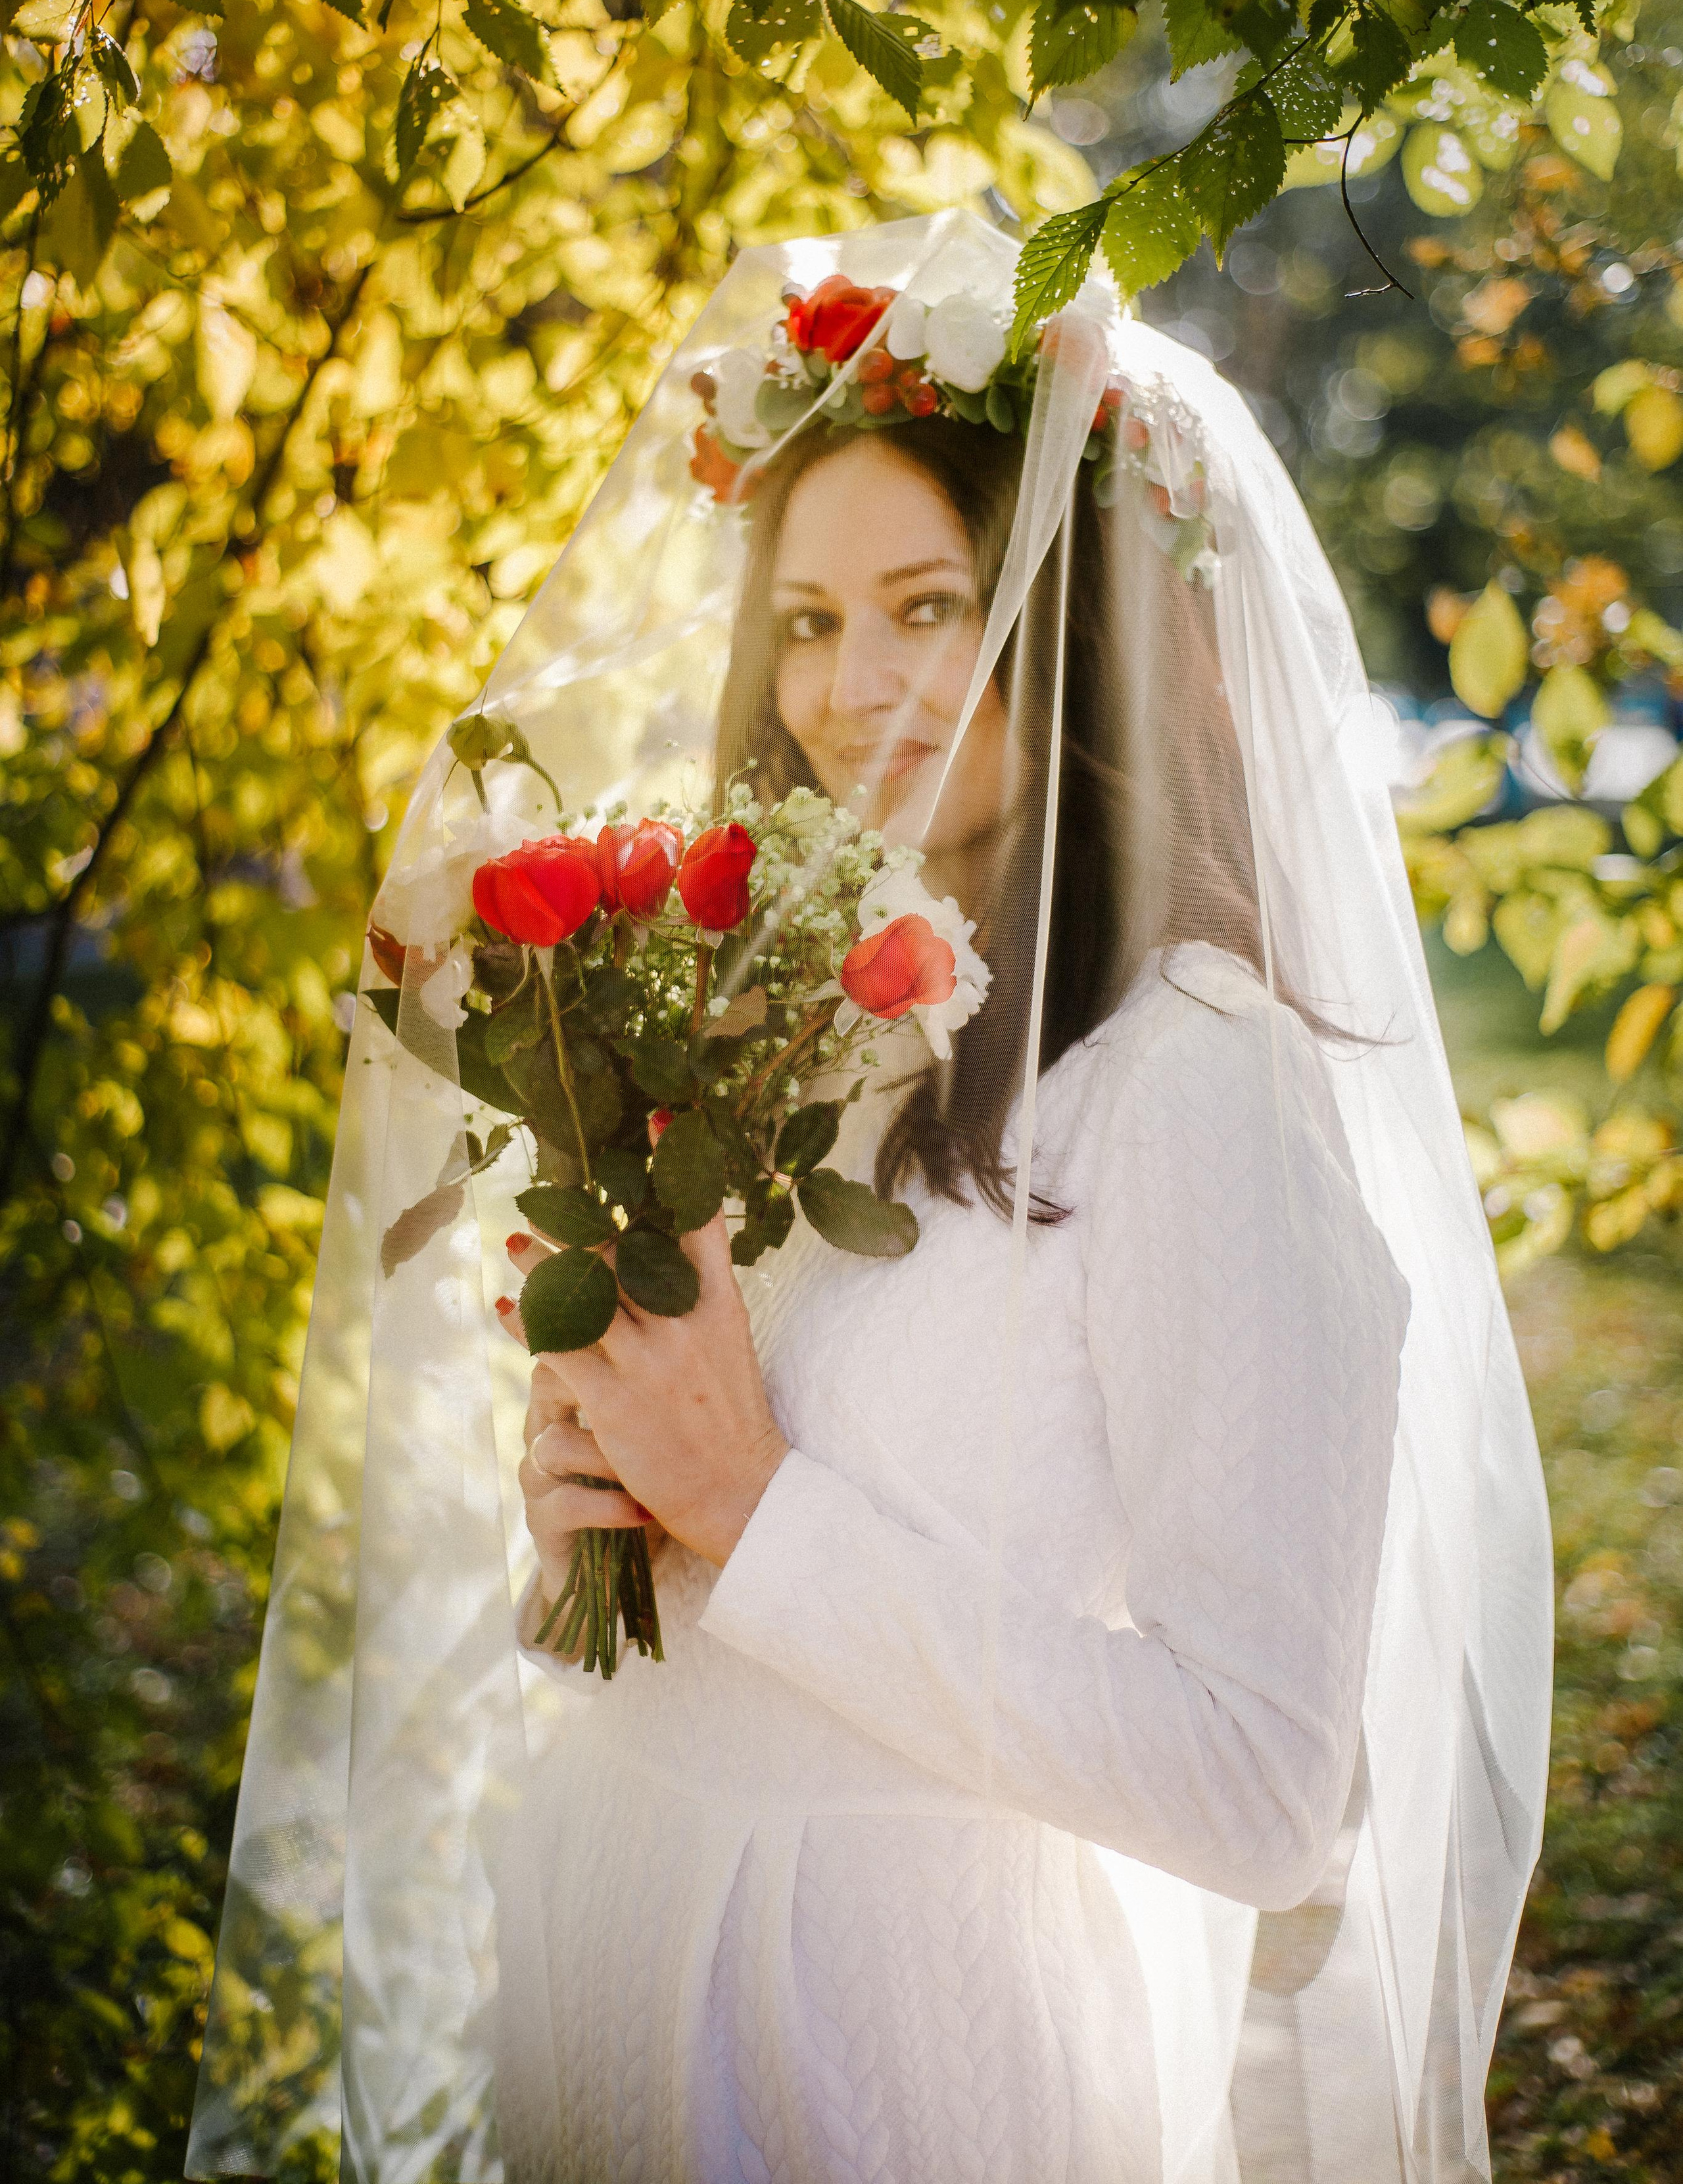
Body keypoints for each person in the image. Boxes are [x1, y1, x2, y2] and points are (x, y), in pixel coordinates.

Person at [187, 212, 1553, 2184]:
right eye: (810, 619)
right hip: (617, 1947)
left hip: (898, 2042)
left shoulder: (1191, 1083)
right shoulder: (793, 1028)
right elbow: (718, 1587)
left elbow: (1270, 1791)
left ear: (1059, 609)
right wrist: (605, 1531)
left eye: (928, 603)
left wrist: (753, 1509)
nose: (857, 684)